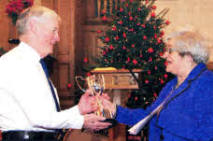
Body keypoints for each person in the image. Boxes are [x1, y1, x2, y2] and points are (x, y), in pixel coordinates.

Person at [0, 6, 110, 141]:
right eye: (54, 30)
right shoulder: (16, 63)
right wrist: (81, 121)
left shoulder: (33, 64)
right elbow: (39, 119)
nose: (57, 38)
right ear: (34, 26)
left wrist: (79, 109)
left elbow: (47, 117)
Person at [102, 29, 213, 141]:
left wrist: (164, 116)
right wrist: (114, 110)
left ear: (188, 57)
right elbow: (149, 116)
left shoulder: (207, 83)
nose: (164, 55)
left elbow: (207, 133)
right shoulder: (172, 84)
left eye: (170, 51)